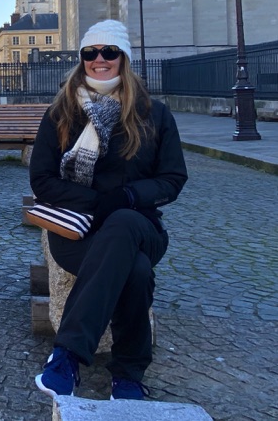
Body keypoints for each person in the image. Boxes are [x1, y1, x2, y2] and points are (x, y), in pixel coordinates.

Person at [30, 20, 187, 401]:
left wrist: (128, 198)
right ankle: (129, 374)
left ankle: (67, 355)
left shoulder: (155, 113)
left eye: (109, 52)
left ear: (124, 59)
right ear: (82, 58)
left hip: (140, 226)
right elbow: (42, 180)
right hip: (77, 232)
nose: (99, 60)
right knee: (134, 270)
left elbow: (172, 178)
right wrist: (96, 203)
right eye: (90, 53)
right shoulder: (61, 112)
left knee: (123, 223)